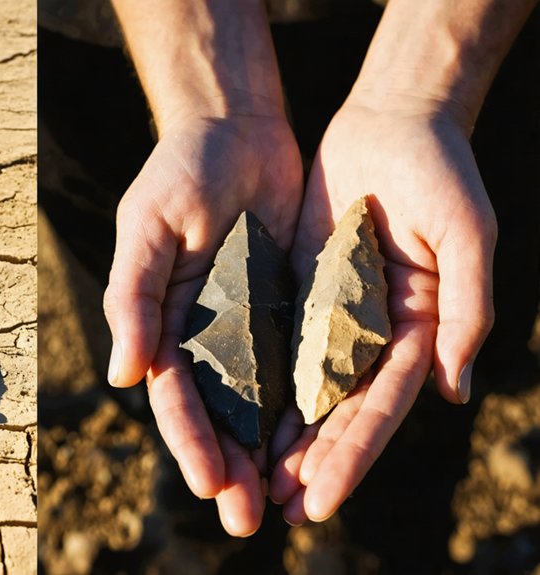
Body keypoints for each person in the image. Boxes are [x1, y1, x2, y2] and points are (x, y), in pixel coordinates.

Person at [104, 0, 538, 536]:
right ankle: (199, 538)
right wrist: (209, 100)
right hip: (149, 40)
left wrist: (420, 92)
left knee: (414, 454)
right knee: (185, 447)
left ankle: (381, 543)